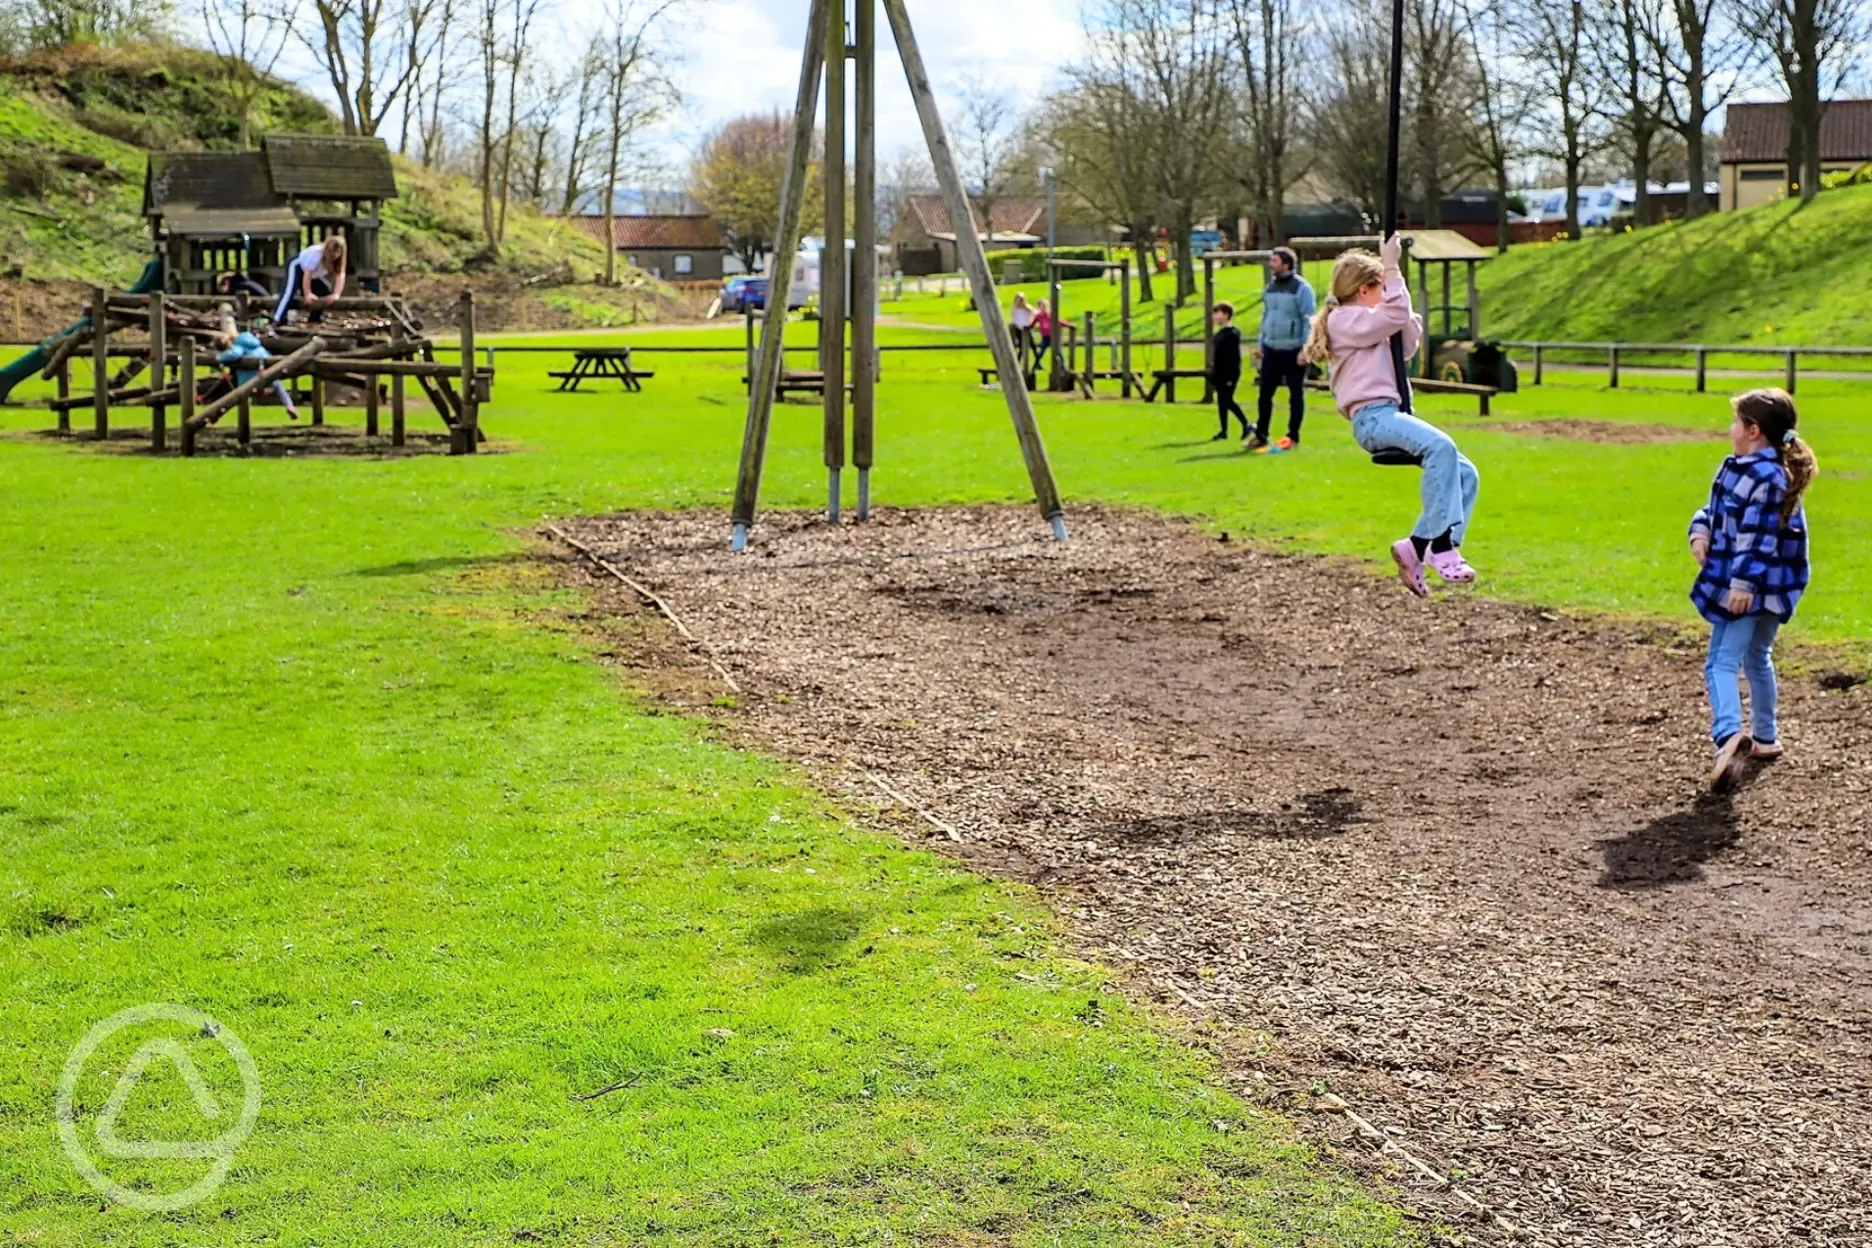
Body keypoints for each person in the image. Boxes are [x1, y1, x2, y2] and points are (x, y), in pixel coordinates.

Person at [1304, 235, 1479, 596]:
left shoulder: (1372, 321)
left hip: (1392, 414)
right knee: (1441, 447)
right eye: (1381, 286)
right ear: (1365, 290)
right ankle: (1442, 547)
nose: (1387, 291)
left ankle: (1415, 546)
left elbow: (1408, 342)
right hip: (1373, 418)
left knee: (1465, 473)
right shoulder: (1344, 321)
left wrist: (1398, 294)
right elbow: (1394, 316)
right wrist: (1393, 268)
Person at [1689, 387, 1815, 791]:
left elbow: (1757, 536)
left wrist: (1743, 584)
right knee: (1758, 656)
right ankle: (1765, 737)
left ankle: (1728, 737)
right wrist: (1700, 530)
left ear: (1753, 429)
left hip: (1752, 585)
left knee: (1721, 662)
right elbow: (1715, 509)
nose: (1731, 429)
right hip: (1771, 586)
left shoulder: (1763, 476)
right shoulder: (1747, 468)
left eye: (1736, 422)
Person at [1250, 245, 1316, 452]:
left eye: (1275, 261)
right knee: (1264, 394)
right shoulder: (1269, 287)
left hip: (1293, 350)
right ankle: (1261, 435)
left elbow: (1309, 320)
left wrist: (1305, 349)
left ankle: (1292, 436)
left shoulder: (1302, 288)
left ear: (1286, 264)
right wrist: (1261, 343)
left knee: (1295, 395)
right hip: (1271, 349)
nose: (1271, 264)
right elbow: (1266, 316)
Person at [205, 328, 299, 420]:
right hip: (266, 373)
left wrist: (219, 357)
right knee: (278, 386)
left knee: (233, 394)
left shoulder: (238, 345)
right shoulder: (255, 343)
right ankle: (290, 406)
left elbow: (235, 353)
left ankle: (217, 414)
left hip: (248, 379)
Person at [273, 236, 347, 325]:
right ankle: (277, 318)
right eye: (331, 253)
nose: (333, 256)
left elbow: (340, 275)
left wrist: (336, 294)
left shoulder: (338, 260)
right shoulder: (316, 253)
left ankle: (314, 319)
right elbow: (307, 273)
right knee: (289, 292)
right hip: (298, 266)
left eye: (336, 253)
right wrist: (308, 293)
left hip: (311, 275)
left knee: (324, 290)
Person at [1209, 301, 1249, 441]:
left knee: (1227, 400)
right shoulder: (1219, 334)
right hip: (1218, 373)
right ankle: (1224, 430)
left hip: (1228, 373)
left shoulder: (1232, 334)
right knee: (1222, 401)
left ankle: (1247, 424)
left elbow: (1233, 358)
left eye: (1217, 313)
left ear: (1226, 315)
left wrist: (1230, 377)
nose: (1215, 316)